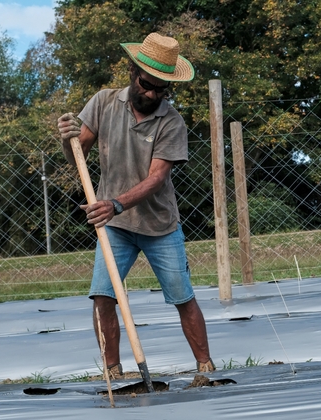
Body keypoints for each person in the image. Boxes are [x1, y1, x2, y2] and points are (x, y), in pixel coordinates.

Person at [57, 33, 215, 377]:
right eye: (147, 85)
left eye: (161, 89)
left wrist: (115, 203)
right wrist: (67, 138)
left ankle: (206, 368)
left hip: (159, 225)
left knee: (182, 297)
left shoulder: (172, 122)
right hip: (115, 226)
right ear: (133, 72)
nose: (152, 94)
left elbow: (157, 178)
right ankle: (113, 372)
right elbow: (78, 155)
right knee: (102, 297)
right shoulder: (102, 103)